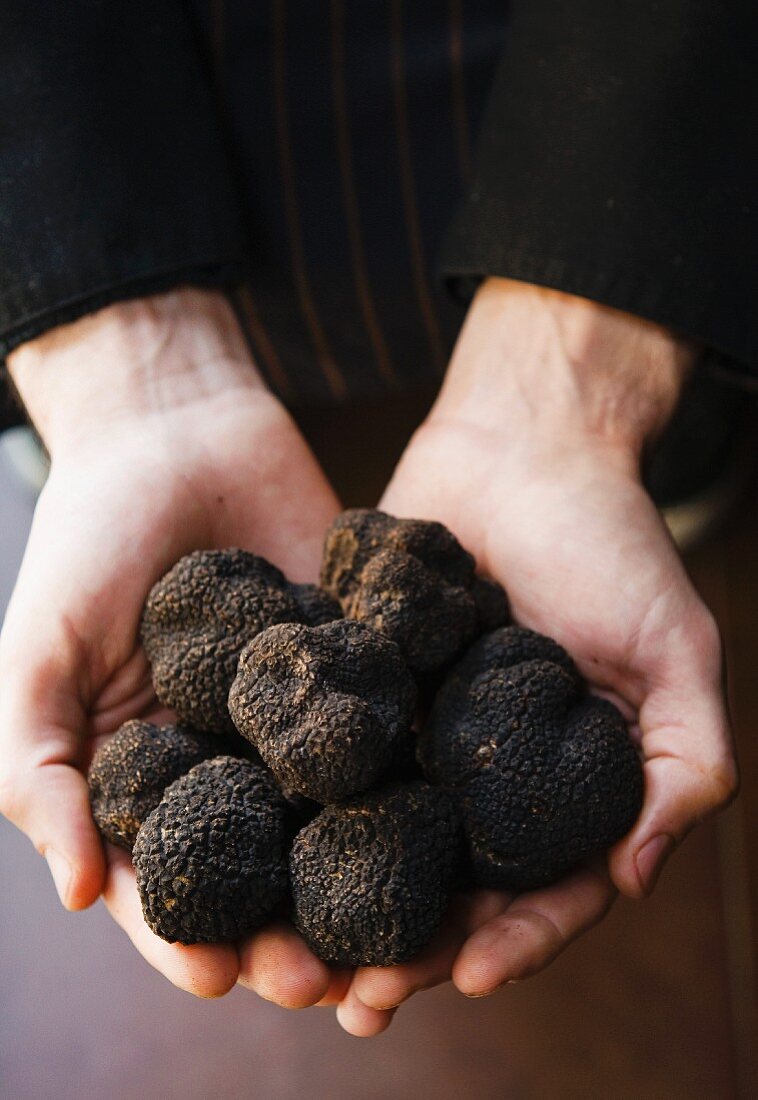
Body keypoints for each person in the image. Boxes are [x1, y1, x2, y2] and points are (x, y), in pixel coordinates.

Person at [0, 2, 751, 1039]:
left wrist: (586, 363)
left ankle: (656, 387)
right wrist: (108, 358)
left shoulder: (381, 679)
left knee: (674, 338)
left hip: (542, 97)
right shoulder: (292, 704)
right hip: (152, 116)